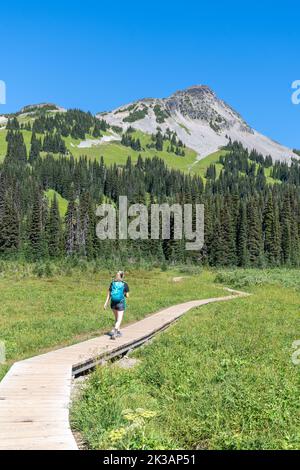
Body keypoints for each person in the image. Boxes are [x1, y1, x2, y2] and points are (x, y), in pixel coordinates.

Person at [104, 270, 129, 340]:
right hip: (120, 303)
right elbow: (127, 295)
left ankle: (118, 331)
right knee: (119, 319)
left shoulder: (112, 283)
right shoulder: (124, 284)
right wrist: (123, 293)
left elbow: (109, 294)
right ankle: (114, 331)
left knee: (116, 318)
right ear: (122, 276)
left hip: (113, 303)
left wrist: (106, 303)